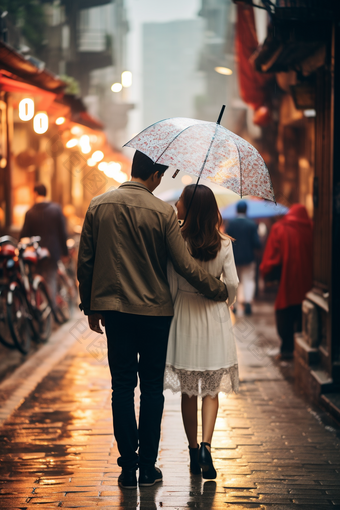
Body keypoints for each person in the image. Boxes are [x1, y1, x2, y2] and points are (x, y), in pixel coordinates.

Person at [77, 151, 229, 490]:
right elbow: (184, 266)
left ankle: (127, 467)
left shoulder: (98, 205)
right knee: (151, 391)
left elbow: (85, 261)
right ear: (157, 176)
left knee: (121, 387)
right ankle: (147, 467)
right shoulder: (163, 212)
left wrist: (90, 306)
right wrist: (217, 289)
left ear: (133, 171)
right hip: (155, 314)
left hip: (114, 311)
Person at [164, 184, 239, 479]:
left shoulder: (178, 241)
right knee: (210, 388)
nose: (178, 203)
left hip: (184, 313)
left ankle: (194, 450)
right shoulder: (224, 243)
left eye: (181, 199)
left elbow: (171, 282)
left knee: (188, 390)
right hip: (214, 316)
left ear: (190, 207)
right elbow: (231, 284)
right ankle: (208, 444)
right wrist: (226, 301)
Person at [260, 204, 313, 359]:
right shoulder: (313, 228)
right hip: (310, 283)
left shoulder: (280, 228)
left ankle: (287, 349)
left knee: (286, 308)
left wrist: (266, 272)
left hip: (287, 280)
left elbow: (272, 258)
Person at [20, 183, 68, 303]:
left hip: (36, 253)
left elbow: (23, 235)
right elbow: (62, 233)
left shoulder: (30, 212)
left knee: (37, 279)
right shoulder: (56, 209)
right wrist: (65, 252)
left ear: (35, 193)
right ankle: (51, 313)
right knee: (51, 280)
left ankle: (39, 310)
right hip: (53, 252)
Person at [226, 200, 261, 315]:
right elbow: (257, 243)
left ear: (237, 210)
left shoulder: (231, 223)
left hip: (234, 258)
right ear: (246, 210)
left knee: (234, 281)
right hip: (248, 258)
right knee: (248, 281)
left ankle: (234, 305)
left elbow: (227, 241)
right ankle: (247, 302)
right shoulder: (252, 224)